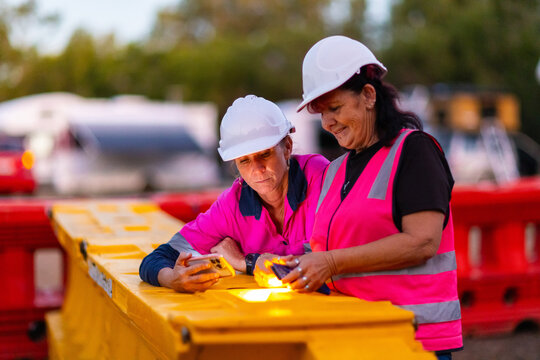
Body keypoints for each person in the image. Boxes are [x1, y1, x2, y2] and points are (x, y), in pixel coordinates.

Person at [280, 35, 463, 358]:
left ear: (368, 95)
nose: (328, 123)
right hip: (353, 333)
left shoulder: (414, 151)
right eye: (321, 114)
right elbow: (330, 247)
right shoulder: (336, 171)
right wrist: (289, 264)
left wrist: (330, 262)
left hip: (411, 337)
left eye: (335, 108)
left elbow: (422, 242)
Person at [139, 95, 329, 293]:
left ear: (287, 147)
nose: (257, 169)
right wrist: (171, 278)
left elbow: (329, 255)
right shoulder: (232, 204)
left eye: (265, 154)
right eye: (244, 161)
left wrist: (244, 261)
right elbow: (156, 258)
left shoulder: (319, 176)